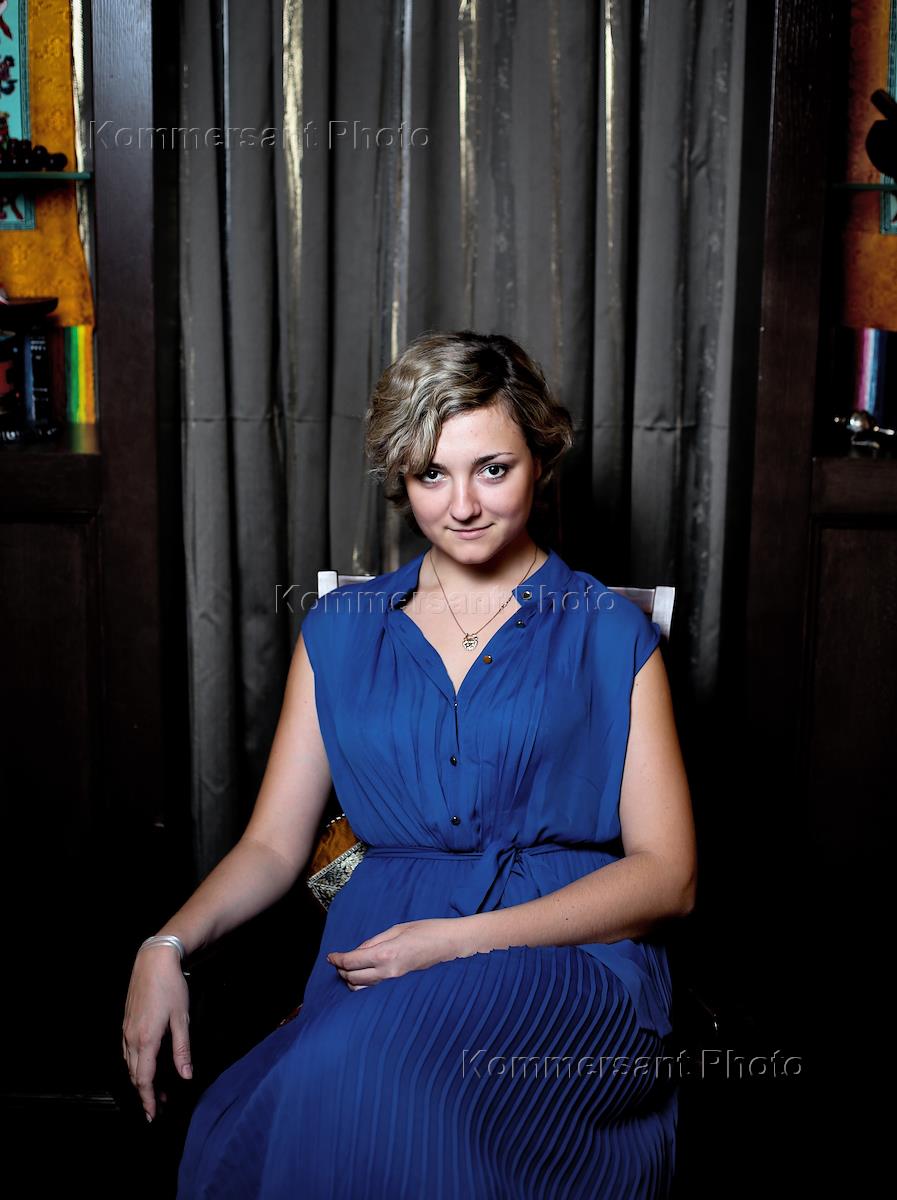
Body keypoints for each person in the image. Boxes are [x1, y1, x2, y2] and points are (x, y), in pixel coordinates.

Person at [123, 329, 697, 1198]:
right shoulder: (341, 631)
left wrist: (459, 941)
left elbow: (668, 878)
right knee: (252, 1119)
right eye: (432, 474)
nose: (462, 505)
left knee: (376, 1079)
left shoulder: (607, 632)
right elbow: (273, 847)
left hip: (566, 961)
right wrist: (165, 944)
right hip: (377, 959)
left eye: (492, 469)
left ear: (540, 461)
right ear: (401, 476)